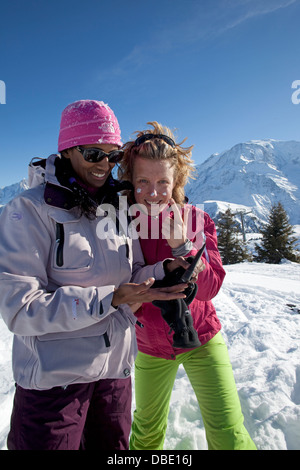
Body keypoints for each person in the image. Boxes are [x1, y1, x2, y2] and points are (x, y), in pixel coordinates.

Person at [0, 102, 189, 451]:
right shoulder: (28, 210)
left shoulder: (115, 208)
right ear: (67, 150)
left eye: (113, 156)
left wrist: (162, 271)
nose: (105, 165)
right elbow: (20, 310)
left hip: (115, 375)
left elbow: (128, 274)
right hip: (54, 385)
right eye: (93, 154)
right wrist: (111, 298)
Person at [118, 122, 257, 450]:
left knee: (228, 432)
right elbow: (118, 288)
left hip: (203, 339)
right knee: (146, 435)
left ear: (175, 181)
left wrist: (183, 246)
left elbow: (210, 288)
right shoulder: (122, 225)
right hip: (151, 347)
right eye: (143, 181)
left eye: (162, 182)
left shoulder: (197, 220)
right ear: (130, 181)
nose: (154, 192)